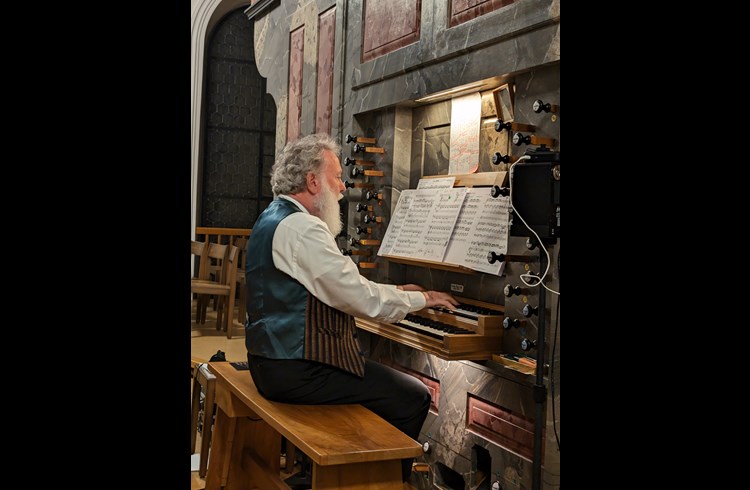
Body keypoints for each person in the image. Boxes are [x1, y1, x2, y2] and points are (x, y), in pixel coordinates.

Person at [245, 133, 459, 483]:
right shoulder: (302, 229)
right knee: (414, 397)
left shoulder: (273, 216)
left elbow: (344, 288)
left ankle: (340, 470)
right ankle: (374, 481)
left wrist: (396, 290)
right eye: (336, 177)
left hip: (269, 361)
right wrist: (422, 299)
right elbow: (361, 298)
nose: (343, 187)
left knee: (375, 378)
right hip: (296, 371)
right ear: (313, 182)